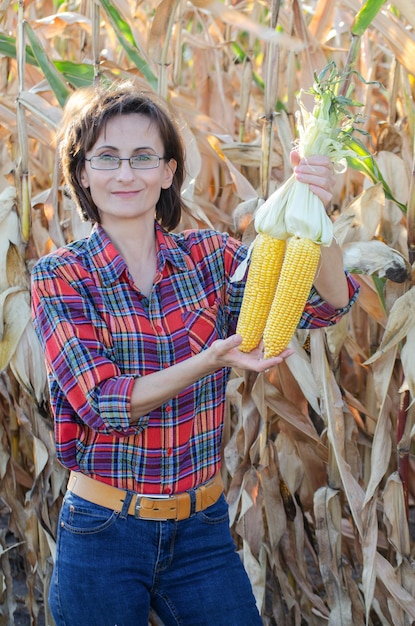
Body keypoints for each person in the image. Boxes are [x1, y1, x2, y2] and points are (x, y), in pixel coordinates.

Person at [31, 80, 359, 626]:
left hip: (201, 530)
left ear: (168, 173)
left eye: (143, 157)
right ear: (83, 173)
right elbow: (104, 404)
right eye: (107, 158)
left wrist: (314, 210)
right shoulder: (61, 276)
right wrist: (210, 359)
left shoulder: (209, 257)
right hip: (104, 531)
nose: (126, 173)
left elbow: (327, 304)